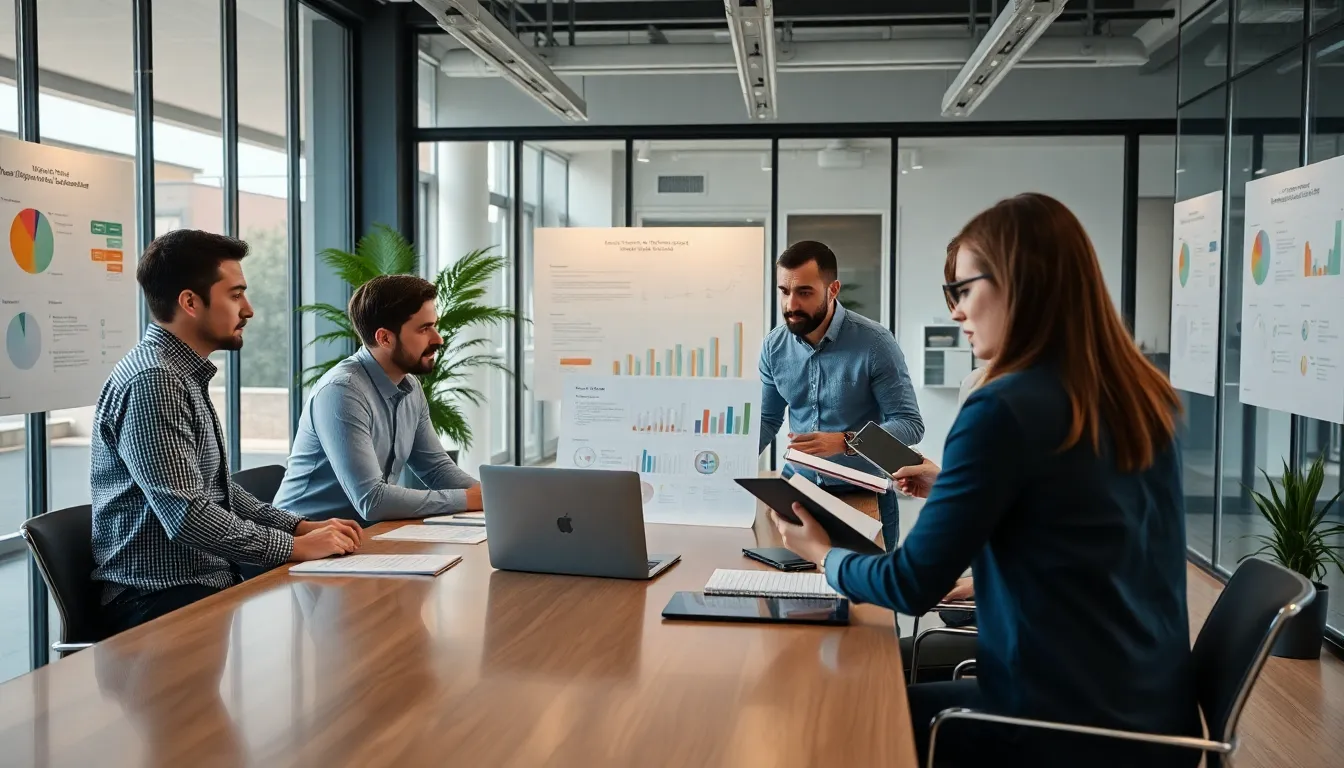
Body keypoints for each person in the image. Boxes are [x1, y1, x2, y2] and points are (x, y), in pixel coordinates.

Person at [771, 194, 1199, 767]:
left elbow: (907, 445)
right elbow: (1083, 523)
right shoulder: (1141, 394)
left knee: (849, 702)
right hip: (1152, 715)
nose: (954, 312)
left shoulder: (987, 397)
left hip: (1054, 718)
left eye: (962, 290)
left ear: (1020, 285)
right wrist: (953, 485)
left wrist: (821, 550)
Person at [91, 230, 363, 635]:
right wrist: (294, 548)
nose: (248, 309)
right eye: (236, 295)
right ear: (190, 302)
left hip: (201, 583)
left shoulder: (180, 374)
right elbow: (187, 515)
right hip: (155, 601)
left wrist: (298, 527)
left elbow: (217, 490)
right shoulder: (155, 381)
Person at [275, 274, 481, 524]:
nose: (438, 339)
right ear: (385, 338)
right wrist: (469, 500)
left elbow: (436, 469)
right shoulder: (342, 391)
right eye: (424, 329)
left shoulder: (410, 387)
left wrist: (497, 496)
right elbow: (373, 501)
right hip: (305, 543)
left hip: (362, 537)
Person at [758, 240, 924, 548]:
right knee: (793, 594)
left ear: (833, 289)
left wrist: (847, 442)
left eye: (804, 292)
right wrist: (724, 460)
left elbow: (910, 424)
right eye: (784, 291)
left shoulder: (875, 343)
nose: (791, 304)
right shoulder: (774, 347)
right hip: (797, 493)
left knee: (867, 596)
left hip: (864, 497)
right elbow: (768, 419)